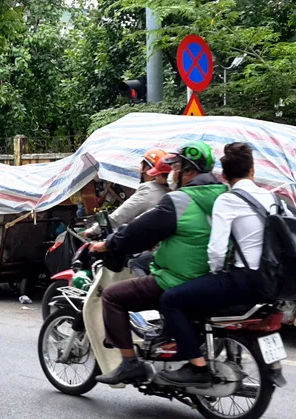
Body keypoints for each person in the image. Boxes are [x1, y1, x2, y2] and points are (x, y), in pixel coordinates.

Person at [88, 141, 227, 385]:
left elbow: (139, 231)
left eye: (177, 167)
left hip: (178, 277)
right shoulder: (225, 195)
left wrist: (109, 244)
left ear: (189, 171)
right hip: (212, 278)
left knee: (112, 296)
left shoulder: (179, 201)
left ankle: (129, 364)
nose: (173, 173)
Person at [156, 142, 275, 386]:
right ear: (252, 171)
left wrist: (213, 272)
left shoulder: (228, 200)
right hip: (270, 280)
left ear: (224, 175)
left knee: (170, 299)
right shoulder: (271, 198)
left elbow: (217, 250)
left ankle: (196, 367)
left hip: (243, 280)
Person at [84, 150, 172, 277]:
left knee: (133, 263)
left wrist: (93, 230)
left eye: (141, 165)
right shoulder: (172, 192)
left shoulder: (149, 189)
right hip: (166, 248)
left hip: (155, 250)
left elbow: (119, 217)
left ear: (148, 169)